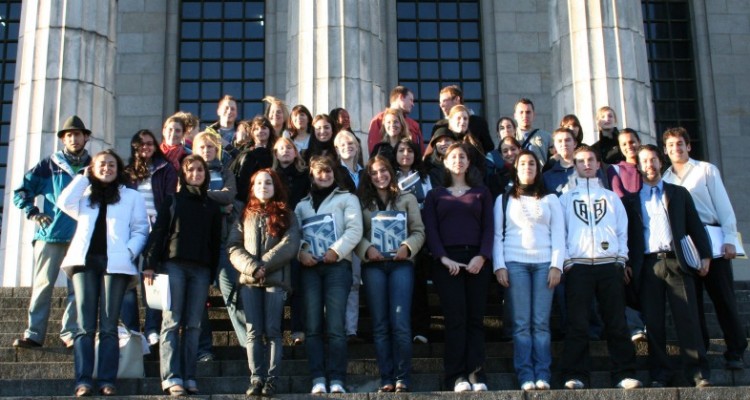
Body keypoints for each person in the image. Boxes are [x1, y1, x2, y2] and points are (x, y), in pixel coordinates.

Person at [58, 149, 149, 397]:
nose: (107, 168)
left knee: (109, 326)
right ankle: (83, 380)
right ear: (93, 168)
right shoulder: (85, 194)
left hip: (116, 265)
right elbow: (63, 202)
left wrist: (129, 252)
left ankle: (108, 379)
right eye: (101, 165)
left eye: (111, 165)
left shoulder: (131, 196)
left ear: (118, 169)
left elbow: (141, 229)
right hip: (84, 263)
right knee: (85, 326)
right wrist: (83, 176)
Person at [623, 143, 713, 387]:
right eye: (644, 161)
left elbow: (695, 225)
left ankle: (698, 373)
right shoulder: (630, 201)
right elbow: (626, 235)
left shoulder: (678, 193)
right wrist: (627, 263)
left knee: (688, 319)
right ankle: (659, 375)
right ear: (638, 166)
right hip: (649, 265)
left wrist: (705, 255)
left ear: (660, 162)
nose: (649, 165)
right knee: (654, 324)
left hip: (676, 262)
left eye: (653, 160)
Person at [661, 127, 747, 370]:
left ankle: (736, 350)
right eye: (670, 145)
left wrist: (730, 237)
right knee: (693, 302)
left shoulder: (705, 170)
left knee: (723, 298)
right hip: (685, 244)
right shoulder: (665, 178)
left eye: (680, 144)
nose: (676, 149)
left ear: (688, 146)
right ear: (665, 150)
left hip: (713, 239)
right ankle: (702, 351)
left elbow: (723, 205)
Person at [558, 145, 641, 390]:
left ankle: (624, 373)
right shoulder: (565, 199)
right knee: (577, 324)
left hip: (609, 266)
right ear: (575, 165)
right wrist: (567, 261)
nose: (586, 164)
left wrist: (620, 259)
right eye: (581, 160)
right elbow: (559, 233)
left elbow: (621, 230)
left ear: (597, 164)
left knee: (616, 322)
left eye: (590, 160)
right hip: (578, 267)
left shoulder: (611, 197)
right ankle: (575, 374)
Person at [143, 155, 223, 396]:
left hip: (200, 269)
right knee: (172, 321)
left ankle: (189, 375)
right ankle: (170, 377)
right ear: (184, 174)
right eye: (191, 170)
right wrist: (149, 263)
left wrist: (212, 273)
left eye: (200, 170)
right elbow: (158, 232)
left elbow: (215, 241)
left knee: (193, 325)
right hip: (173, 266)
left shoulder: (212, 206)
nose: (196, 174)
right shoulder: (173, 200)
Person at [12, 115, 92, 350]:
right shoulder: (49, 164)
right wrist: (33, 212)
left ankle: (70, 333)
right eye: (69, 135)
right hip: (50, 234)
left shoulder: (95, 166)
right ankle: (34, 333)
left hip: (81, 236)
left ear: (86, 137)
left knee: (76, 289)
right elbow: (22, 191)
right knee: (43, 286)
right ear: (63, 139)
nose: (74, 139)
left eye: (77, 134)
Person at [422, 143, 494, 393]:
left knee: (475, 319)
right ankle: (456, 375)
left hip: (476, 261)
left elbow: (489, 228)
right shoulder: (435, 194)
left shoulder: (481, 192)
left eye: (463, 156)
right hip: (446, 263)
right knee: (455, 319)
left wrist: (482, 257)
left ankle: (476, 373)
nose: (458, 160)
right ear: (445, 162)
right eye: (453, 156)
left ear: (469, 162)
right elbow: (430, 230)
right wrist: (443, 258)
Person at [493, 150, 564, 391]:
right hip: (515, 264)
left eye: (532, 163)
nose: (527, 167)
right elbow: (497, 235)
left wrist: (557, 265)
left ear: (538, 168)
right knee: (522, 323)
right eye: (522, 163)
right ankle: (525, 374)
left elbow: (559, 235)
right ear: (516, 168)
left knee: (541, 323)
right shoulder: (504, 198)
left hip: (545, 264)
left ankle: (542, 373)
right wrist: (499, 265)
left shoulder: (551, 199)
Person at [228, 169, 301, 397]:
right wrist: (252, 267)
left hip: (275, 281)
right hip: (250, 281)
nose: (263, 186)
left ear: (275, 186)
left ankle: (271, 379)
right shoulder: (244, 214)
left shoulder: (286, 213)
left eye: (268, 183)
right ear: (252, 187)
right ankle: (256, 378)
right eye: (258, 183)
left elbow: (290, 244)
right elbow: (233, 246)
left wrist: (264, 266)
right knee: (253, 331)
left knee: (272, 331)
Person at [355, 156, 425, 393]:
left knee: (401, 323)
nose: (379, 176)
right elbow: (357, 233)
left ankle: (403, 376)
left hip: (401, 265)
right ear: (369, 176)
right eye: (374, 173)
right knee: (381, 324)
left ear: (391, 173)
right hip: (374, 266)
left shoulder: (407, 199)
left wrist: (408, 247)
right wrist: (367, 249)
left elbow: (419, 231)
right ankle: (386, 376)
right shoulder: (361, 201)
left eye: (383, 171)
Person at [295, 156, 363, 394]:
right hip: (310, 268)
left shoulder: (348, 198)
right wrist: (302, 250)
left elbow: (355, 229)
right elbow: (295, 233)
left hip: (337, 267)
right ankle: (317, 378)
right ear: (311, 175)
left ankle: (336, 378)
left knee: (335, 326)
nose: (324, 176)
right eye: (319, 172)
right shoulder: (302, 205)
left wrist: (337, 251)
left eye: (328, 172)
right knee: (313, 326)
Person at [192, 132, 244, 361]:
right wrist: (220, 207)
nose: (207, 150)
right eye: (202, 147)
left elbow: (230, 195)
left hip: (223, 242)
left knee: (232, 292)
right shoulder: (188, 173)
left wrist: (203, 199)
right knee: (198, 299)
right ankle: (204, 350)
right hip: (199, 244)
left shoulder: (226, 172)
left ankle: (248, 344)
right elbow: (187, 197)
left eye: (211, 147)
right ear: (195, 150)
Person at [122, 129, 178, 341]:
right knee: (128, 277)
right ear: (135, 148)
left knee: (151, 277)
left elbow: (169, 200)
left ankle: (152, 327)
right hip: (131, 231)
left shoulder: (166, 169)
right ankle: (132, 329)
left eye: (150, 143)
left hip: (156, 229)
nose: (146, 147)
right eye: (141, 144)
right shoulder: (127, 173)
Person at [607, 128, 647, 342]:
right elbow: (619, 200)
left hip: (652, 234)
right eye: (624, 144)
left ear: (639, 142)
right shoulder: (615, 170)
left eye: (632, 142)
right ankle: (635, 326)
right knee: (630, 279)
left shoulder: (649, 167)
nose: (629, 146)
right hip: (629, 230)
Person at [393, 139, 433, 343]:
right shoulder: (389, 176)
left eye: (410, 151)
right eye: (401, 150)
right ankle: (402, 329)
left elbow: (432, 201)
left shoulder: (425, 177)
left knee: (418, 283)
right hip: (396, 235)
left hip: (419, 233)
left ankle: (421, 329)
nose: (406, 154)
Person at [272, 137, 310, 345]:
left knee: (296, 282)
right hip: (276, 231)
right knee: (277, 283)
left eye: (289, 148)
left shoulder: (305, 176)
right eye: (281, 148)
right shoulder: (271, 175)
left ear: (295, 152)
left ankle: (298, 329)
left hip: (298, 229)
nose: (285, 151)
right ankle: (276, 329)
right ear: (275, 153)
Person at [332, 130, 365, 341]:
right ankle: (336, 328)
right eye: (343, 143)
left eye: (351, 142)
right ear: (336, 149)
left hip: (363, 232)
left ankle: (351, 329)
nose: (348, 146)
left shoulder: (366, 173)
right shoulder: (334, 172)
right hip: (340, 233)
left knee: (354, 281)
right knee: (340, 282)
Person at [430, 85, 494, 153]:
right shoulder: (439, 126)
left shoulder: (478, 122)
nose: (441, 105)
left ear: (457, 99)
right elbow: (432, 152)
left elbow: (489, 148)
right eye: (440, 102)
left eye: (444, 101)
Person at [230, 116, 275, 203]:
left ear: (270, 131)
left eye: (264, 128)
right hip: (245, 200)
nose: (260, 131)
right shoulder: (244, 153)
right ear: (252, 133)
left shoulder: (275, 152)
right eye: (256, 129)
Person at [368, 86, 423, 153]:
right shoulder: (379, 120)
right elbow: (374, 148)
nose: (413, 104)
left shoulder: (414, 125)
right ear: (401, 97)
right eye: (411, 100)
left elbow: (421, 151)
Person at [513, 98, 551, 166]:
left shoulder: (547, 137)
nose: (525, 116)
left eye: (528, 112)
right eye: (521, 112)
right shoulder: (511, 138)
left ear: (534, 114)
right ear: (515, 116)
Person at [542, 128, 578, 194]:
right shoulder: (547, 177)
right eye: (560, 141)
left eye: (567, 140)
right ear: (554, 146)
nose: (564, 144)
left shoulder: (586, 170)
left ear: (575, 144)